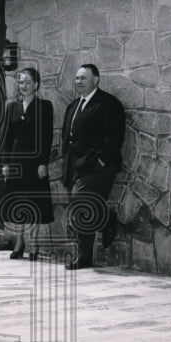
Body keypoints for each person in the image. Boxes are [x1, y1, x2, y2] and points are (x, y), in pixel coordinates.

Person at [61, 64, 126, 269]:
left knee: (80, 205)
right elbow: (67, 138)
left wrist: (101, 160)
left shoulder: (108, 103)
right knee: (81, 208)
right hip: (76, 167)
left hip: (98, 167)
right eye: (77, 78)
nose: (78, 82)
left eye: (83, 78)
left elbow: (115, 136)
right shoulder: (73, 106)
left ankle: (84, 256)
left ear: (96, 80)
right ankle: (106, 221)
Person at [1, 67, 54, 260]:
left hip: (35, 162)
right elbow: (7, 136)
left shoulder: (45, 106)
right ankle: (19, 242)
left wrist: (43, 162)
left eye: (28, 82)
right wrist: (5, 163)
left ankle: (33, 243)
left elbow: (47, 136)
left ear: (36, 85)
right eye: (21, 82)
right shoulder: (12, 107)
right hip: (16, 161)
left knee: (34, 202)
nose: (23, 86)